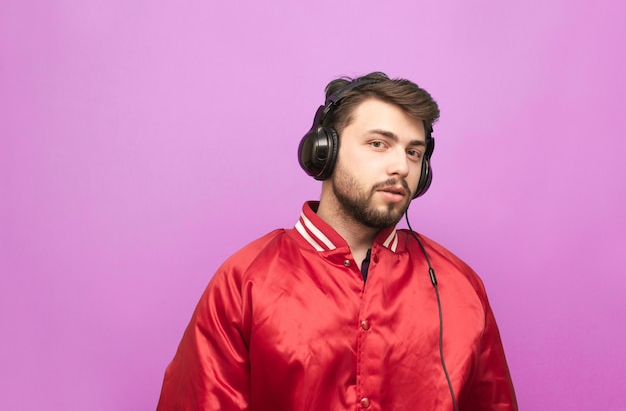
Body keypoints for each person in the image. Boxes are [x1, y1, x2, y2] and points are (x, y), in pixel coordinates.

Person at [156, 72, 518, 410]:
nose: (401, 167)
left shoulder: (461, 287)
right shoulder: (244, 281)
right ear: (324, 151)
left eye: (413, 152)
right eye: (379, 143)